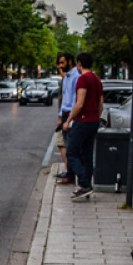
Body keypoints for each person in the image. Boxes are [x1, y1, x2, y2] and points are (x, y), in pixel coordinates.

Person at [62, 52, 104, 201]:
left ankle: (84, 183)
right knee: (87, 155)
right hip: (94, 121)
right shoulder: (97, 80)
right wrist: (97, 116)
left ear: (79, 63)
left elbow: (79, 104)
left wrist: (68, 120)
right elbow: (100, 103)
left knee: (71, 152)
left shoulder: (83, 79)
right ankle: (87, 186)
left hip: (83, 121)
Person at [54, 53, 79, 184]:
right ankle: (70, 175)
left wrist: (70, 119)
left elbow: (75, 100)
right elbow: (64, 100)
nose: (61, 65)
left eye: (63, 63)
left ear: (70, 61)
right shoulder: (67, 77)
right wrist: (60, 118)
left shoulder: (76, 76)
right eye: (59, 63)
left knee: (70, 147)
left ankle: (77, 175)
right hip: (64, 115)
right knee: (67, 146)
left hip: (71, 116)